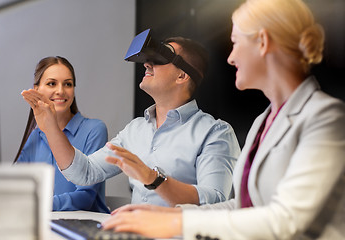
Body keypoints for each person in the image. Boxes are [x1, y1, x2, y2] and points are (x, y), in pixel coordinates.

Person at [102, 0, 345, 239]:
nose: (231, 57)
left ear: (262, 42)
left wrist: (178, 222)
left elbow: (286, 219)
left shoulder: (326, 117)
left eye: (236, 43)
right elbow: (241, 207)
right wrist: (165, 215)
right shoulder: (263, 122)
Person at [21, 37, 241, 208]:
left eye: (159, 58)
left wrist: (153, 179)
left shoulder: (215, 133)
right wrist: (50, 126)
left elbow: (215, 202)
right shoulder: (135, 130)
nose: (147, 63)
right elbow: (85, 173)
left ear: (182, 76)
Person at [15, 56, 110, 213]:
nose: (60, 91)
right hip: (47, 224)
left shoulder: (94, 130)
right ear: (36, 89)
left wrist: (39, 205)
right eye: (52, 83)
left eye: (68, 84)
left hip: (85, 228)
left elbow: (85, 197)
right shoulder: (35, 136)